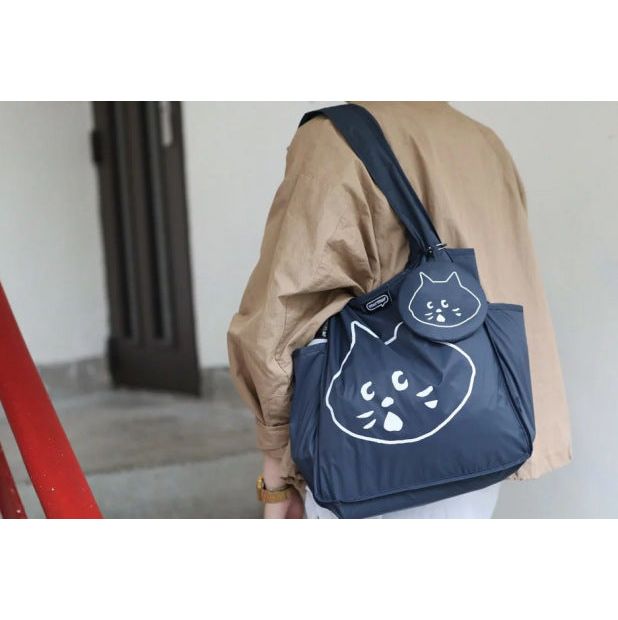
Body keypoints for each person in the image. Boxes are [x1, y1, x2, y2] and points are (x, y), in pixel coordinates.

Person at [227, 101, 572, 519]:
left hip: (378, 464)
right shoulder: (484, 141)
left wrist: (276, 474)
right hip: (482, 439)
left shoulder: (333, 139)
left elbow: (283, 316)